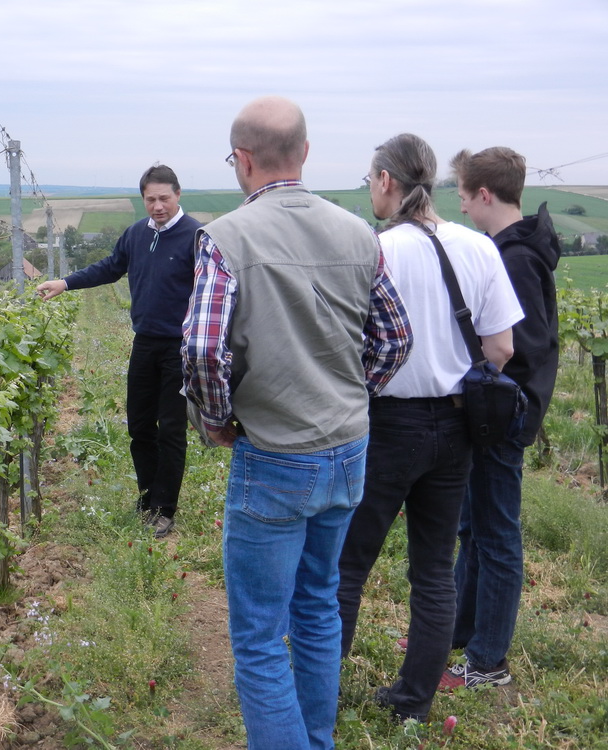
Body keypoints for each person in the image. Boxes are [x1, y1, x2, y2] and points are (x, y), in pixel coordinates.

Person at [183, 95, 412, 750]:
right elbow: (395, 339)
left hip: (274, 455)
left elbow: (201, 349)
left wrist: (217, 419)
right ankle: (317, 740)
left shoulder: (226, 238)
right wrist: (348, 393)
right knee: (317, 608)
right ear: (305, 153)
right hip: (347, 451)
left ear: (243, 160)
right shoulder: (357, 233)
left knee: (258, 635)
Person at [336, 134, 523, 723]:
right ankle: (413, 703)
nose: (370, 189)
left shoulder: (374, 251)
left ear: (387, 181)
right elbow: (501, 347)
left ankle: (318, 692)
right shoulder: (478, 247)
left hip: (388, 422)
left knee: (347, 567)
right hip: (458, 425)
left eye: (371, 179)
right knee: (434, 570)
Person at [441, 147, 561, 689]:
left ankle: (489, 662)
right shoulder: (511, 250)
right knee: (474, 527)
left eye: (465, 197)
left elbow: (525, 347)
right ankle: (461, 635)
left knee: (496, 535)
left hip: (500, 415)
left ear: (484, 194)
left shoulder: (513, 259)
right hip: (493, 412)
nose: (462, 208)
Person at [36, 165, 202, 538]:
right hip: (144, 343)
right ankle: (146, 500)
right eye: (150, 199)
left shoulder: (197, 236)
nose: (157, 206)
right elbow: (111, 268)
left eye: (164, 198)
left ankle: (165, 509)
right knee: (140, 427)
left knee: (171, 430)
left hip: (180, 348)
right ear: (143, 198)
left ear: (178, 195)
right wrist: (66, 282)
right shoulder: (136, 234)